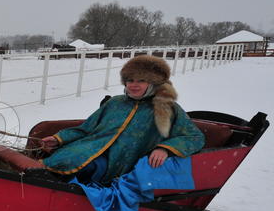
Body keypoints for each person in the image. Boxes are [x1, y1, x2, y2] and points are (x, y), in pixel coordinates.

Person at [39, 54, 205, 183]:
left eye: (141, 80)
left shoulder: (167, 108)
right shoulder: (115, 102)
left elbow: (194, 137)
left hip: (116, 163)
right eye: (130, 80)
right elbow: (86, 128)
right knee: (58, 160)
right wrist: (58, 139)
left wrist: (165, 149)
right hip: (86, 148)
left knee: (74, 165)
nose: (133, 85)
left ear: (154, 83)